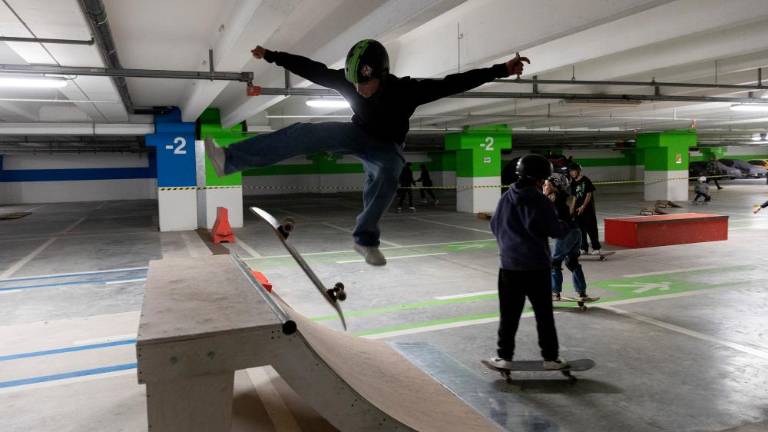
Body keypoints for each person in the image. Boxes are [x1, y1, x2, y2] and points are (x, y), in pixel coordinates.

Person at [205, 40, 530, 266]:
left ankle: (365, 239)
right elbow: (312, 69)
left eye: (365, 85)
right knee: (304, 131)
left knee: (388, 172)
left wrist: (501, 69)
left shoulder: (408, 90)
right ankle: (229, 159)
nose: (359, 90)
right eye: (355, 85)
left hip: (387, 147)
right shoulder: (350, 82)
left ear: (381, 75)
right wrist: (272, 55)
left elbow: (454, 82)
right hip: (356, 134)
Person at [487, 154, 570, 371]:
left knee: (509, 315)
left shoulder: (506, 197)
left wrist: (509, 246)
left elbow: (494, 225)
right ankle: (550, 358)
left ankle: (504, 356)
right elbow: (555, 230)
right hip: (536, 267)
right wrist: (566, 223)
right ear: (540, 178)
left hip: (509, 267)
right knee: (544, 314)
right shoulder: (541, 201)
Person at [544, 175, 590, 302]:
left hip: (565, 234)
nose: (544, 186)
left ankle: (555, 293)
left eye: (546, 184)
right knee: (572, 262)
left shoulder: (551, 199)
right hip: (576, 232)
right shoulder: (566, 197)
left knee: (555, 263)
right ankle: (582, 292)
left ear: (554, 187)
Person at [568, 163, 602, 255]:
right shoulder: (573, 182)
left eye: (573, 171)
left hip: (588, 210)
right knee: (580, 230)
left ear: (578, 171)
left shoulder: (585, 180)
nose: (572, 173)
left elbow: (589, 194)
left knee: (591, 229)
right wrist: (572, 208)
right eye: (570, 171)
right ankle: (584, 248)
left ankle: (596, 248)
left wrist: (583, 206)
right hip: (577, 210)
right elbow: (574, 197)